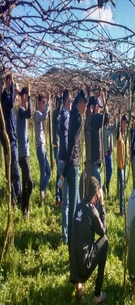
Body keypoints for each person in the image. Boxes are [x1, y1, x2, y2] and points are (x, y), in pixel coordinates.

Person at [70, 176, 108, 303]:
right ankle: (98, 295)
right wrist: (102, 205)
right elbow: (103, 231)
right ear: (96, 193)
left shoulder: (79, 207)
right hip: (84, 266)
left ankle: (78, 286)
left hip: (75, 266)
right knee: (106, 241)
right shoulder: (91, 210)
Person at [60, 89, 88, 253]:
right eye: (85, 105)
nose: (86, 109)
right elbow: (71, 144)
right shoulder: (76, 118)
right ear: (80, 103)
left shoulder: (74, 116)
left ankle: (75, 236)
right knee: (73, 206)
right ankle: (72, 241)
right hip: (73, 165)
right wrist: (68, 167)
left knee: (75, 203)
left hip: (71, 165)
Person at [0, 72, 22, 207]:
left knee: (13, 170)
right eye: (16, 93)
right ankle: (16, 197)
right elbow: (9, 104)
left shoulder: (8, 98)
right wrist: (11, 87)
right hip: (9, 141)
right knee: (14, 170)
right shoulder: (5, 98)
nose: (17, 96)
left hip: (12, 139)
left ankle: (15, 197)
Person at [17, 84, 33, 219]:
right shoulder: (21, 111)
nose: (28, 101)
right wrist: (31, 95)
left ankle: (24, 210)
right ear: (23, 97)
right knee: (30, 183)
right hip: (22, 155)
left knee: (25, 184)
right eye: (27, 98)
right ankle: (25, 208)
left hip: (25, 154)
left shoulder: (22, 112)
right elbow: (30, 113)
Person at [58, 89, 72, 244]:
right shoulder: (65, 117)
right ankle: (65, 236)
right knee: (66, 202)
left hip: (61, 159)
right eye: (71, 101)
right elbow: (66, 142)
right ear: (66, 101)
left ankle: (66, 233)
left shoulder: (61, 116)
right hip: (64, 161)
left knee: (66, 199)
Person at [34, 92, 51, 205]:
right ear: (39, 102)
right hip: (40, 147)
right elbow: (45, 116)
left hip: (43, 147)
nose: (44, 105)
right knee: (43, 172)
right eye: (43, 103)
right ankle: (42, 193)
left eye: (45, 103)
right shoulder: (37, 114)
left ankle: (42, 190)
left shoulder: (39, 113)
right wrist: (49, 102)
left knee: (48, 171)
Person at [90, 91, 108, 189]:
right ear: (96, 106)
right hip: (95, 159)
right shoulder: (96, 118)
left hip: (94, 158)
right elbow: (106, 117)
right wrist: (104, 99)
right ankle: (99, 204)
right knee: (98, 187)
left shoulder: (92, 118)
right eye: (99, 107)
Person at [117, 114, 129, 215]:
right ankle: (121, 209)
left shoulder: (125, 135)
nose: (125, 124)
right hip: (120, 165)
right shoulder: (119, 134)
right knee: (121, 188)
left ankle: (123, 207)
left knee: (124, 186)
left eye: (126, 123)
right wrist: (118, 119)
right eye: (124, 122)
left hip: (125, 165)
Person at [103, 112, 117, 195]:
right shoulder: (103, 128)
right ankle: (106, 186)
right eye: (108, 118)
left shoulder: (110, 128)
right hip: (105, 152)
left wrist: (115, 118)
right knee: (106, 170)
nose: (109, 119)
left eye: (110, 118)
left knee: (111, 169)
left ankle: (107, 184)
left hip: (110, 151)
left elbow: (115, 127)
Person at [52, 95, 63, 206]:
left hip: (60, 147)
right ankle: (59, 196)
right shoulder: (55, 114)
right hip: (56, 147)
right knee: (60, 173)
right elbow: (59, 109)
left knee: (59, 174)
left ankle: (58, 196)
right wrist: (60, 101)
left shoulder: (60, 117)